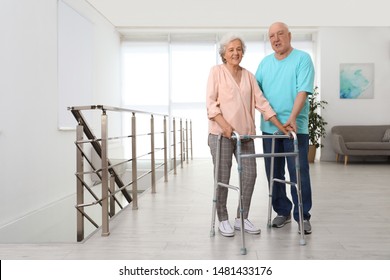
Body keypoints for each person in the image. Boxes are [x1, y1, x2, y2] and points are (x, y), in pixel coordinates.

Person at [207, 33, 288, 237]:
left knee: (250, 175)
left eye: (239, 49)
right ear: (224, 54)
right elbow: (211, 105)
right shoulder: (216, 72)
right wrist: (225, 126)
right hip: (222, 135)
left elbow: (262, 104)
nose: (236, 53)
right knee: (223, 176)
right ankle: (223, 219)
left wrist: (282, 127)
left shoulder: (249, 76)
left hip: (245, 136)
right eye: (231, 49)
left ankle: (241, 218)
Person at [255, 22, 315, 234]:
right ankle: (283, 211)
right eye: (272, 36)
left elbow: (303, 91)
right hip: (269, 129)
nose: (276, 39)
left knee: (298, 173)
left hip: (294, 128)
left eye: (280, 34)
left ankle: (303, 215)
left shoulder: (302, 59)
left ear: (289, 35)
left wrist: (291, 118)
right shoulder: (264, 64)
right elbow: (256, 95)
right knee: (273, 173)